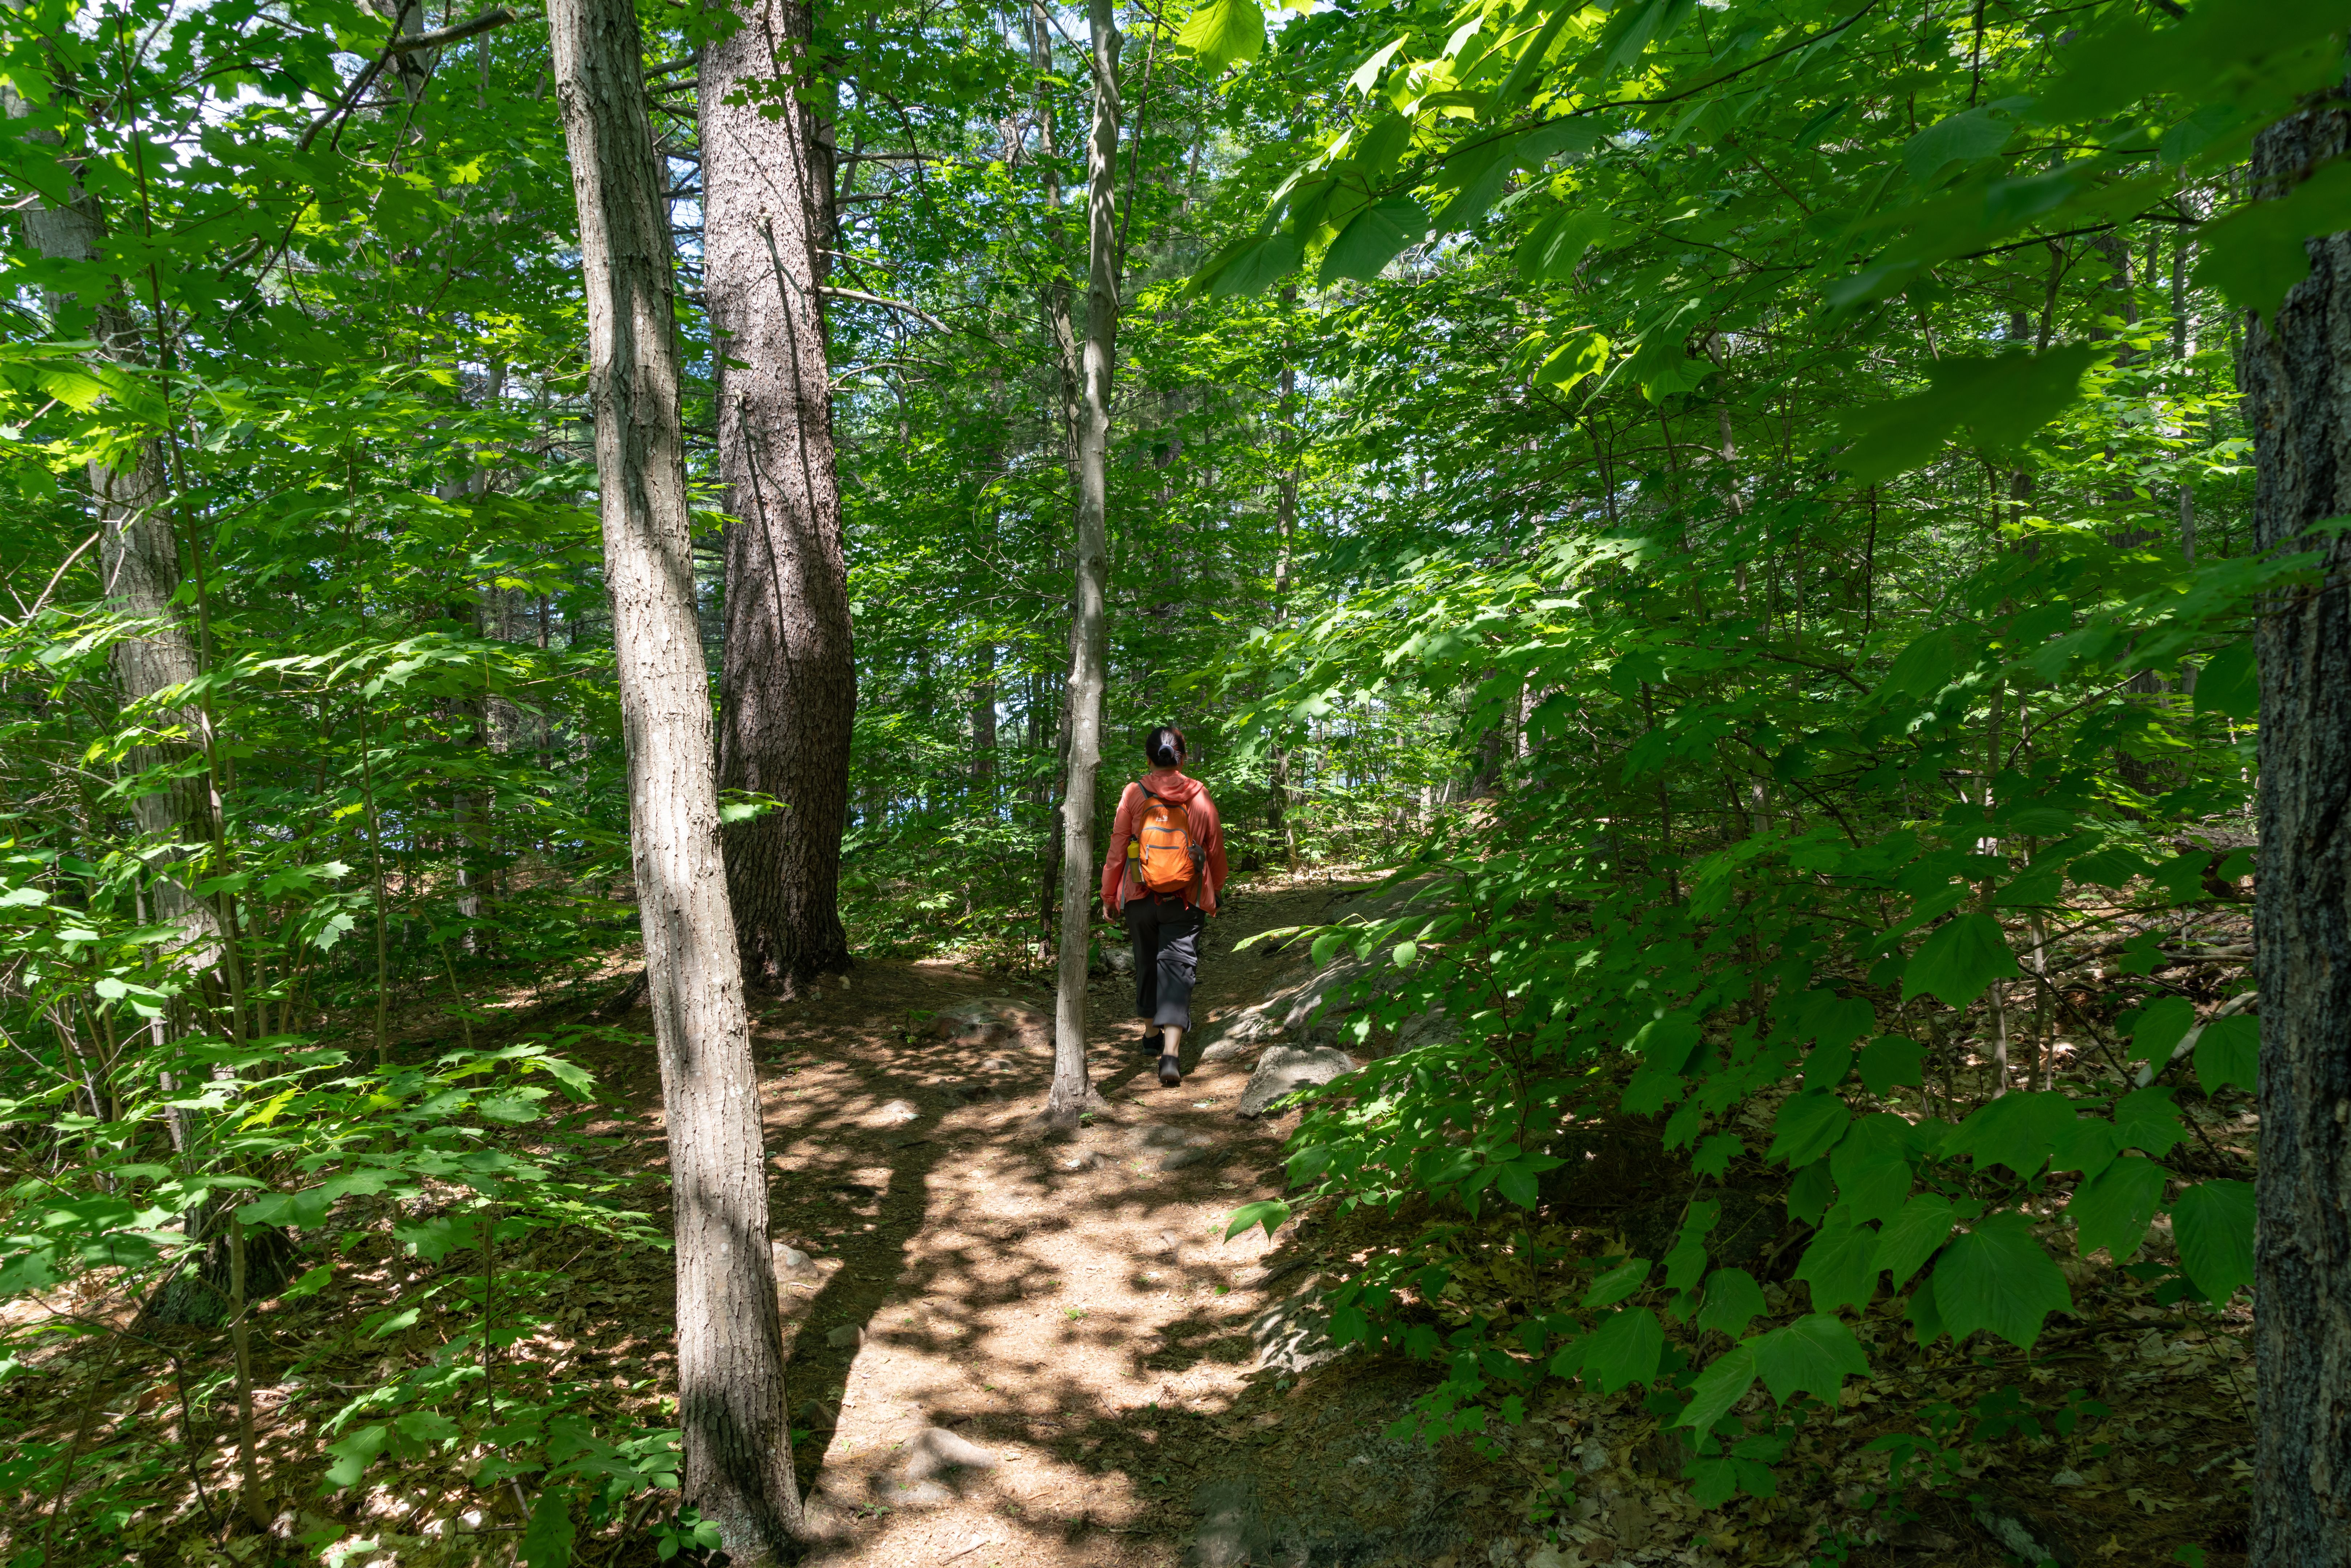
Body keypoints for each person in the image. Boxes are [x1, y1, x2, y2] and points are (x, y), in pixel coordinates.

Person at [1101, 724, 1229, 1088]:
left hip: (1140, 897)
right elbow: (1215, 849)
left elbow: (1116, 849)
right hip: (1186, 899)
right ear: (1183, 758)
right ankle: (1171, 1055)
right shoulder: (1200, 796)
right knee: (1178, 968)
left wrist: (1110, 896)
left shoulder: (1135, 793)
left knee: (1146, 961)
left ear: (1148, 758)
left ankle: (1150, 1036)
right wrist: (1214, 890)